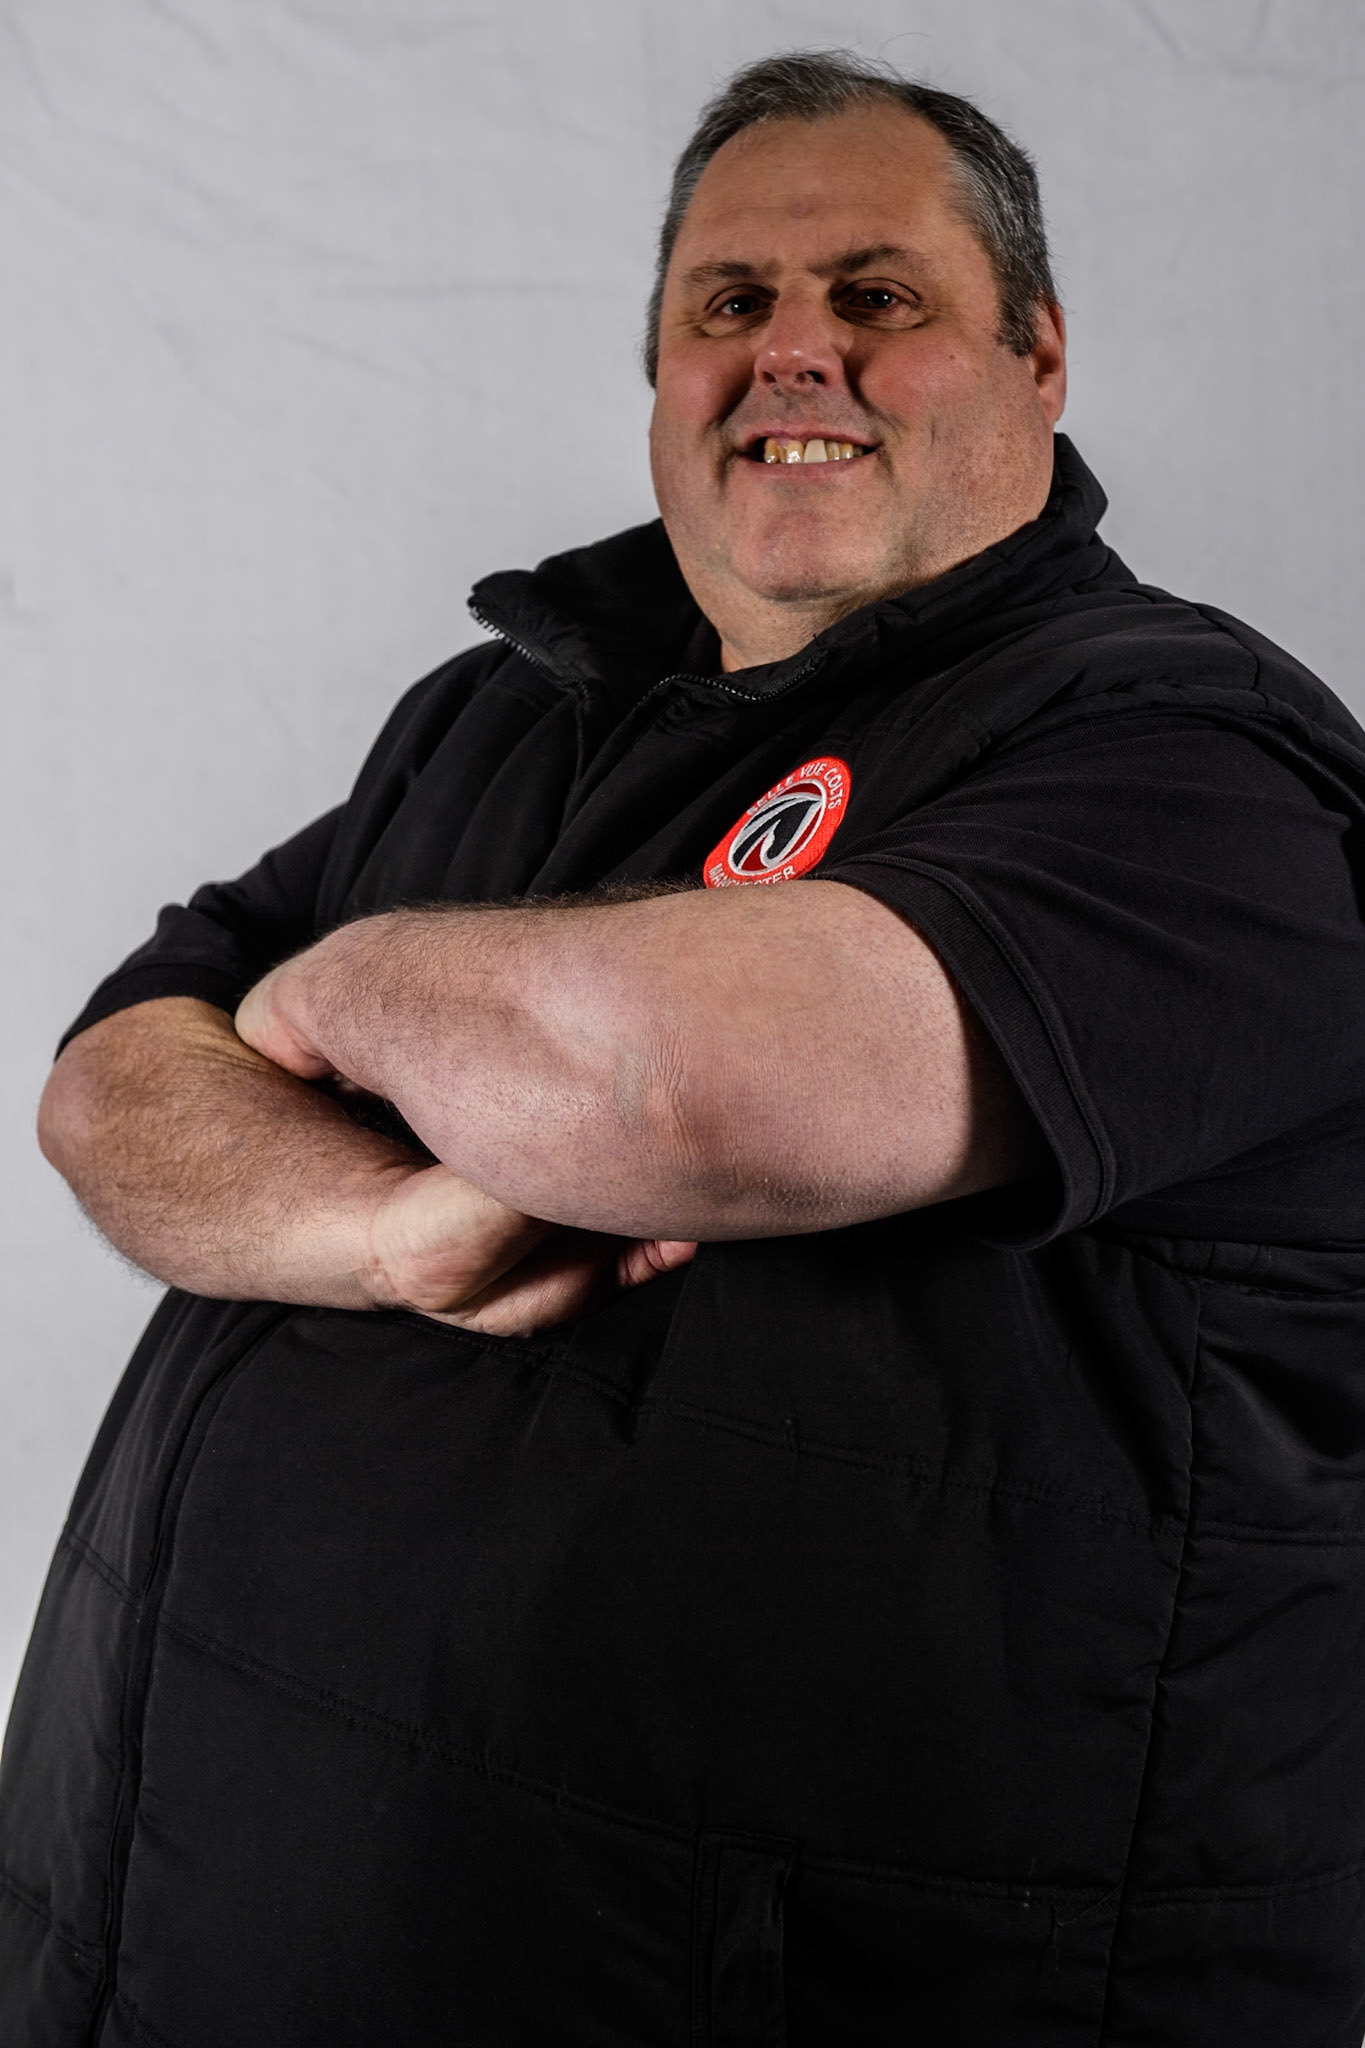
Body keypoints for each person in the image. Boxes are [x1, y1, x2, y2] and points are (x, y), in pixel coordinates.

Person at [5, 46, 1365, 2048]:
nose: (789, 353)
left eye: (874, 297)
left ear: (1037, 355)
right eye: (727, 304)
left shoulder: (1185, 767)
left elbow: (651, 1094)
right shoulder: (502, 717)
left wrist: (323, 995)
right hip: (164, 1943)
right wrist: (392, 1228)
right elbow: (106, 1092)